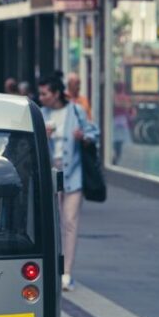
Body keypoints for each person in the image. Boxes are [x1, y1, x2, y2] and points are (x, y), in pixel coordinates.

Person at [38, 72, 98, 292]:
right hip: (50, 176)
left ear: (55, 94)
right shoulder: (40, 114)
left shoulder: (75, 110)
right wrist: (42, 135)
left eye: (45, 93)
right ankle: (52, 268)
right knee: (51, 225)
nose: (41, 97)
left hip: (73, 175)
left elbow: (94, 133)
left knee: (70, 222)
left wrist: (83, 136)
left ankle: (66, 273)